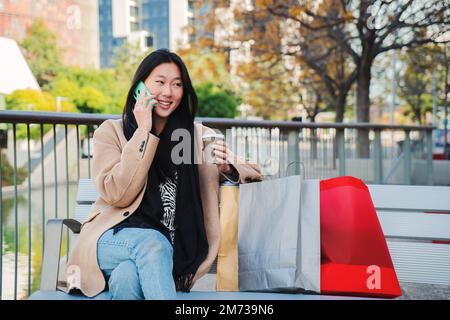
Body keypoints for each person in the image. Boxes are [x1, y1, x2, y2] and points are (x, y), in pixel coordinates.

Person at [61, 49, 263, 299]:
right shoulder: (112, 132)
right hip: (110, 240)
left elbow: (254, 170)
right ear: (139, 88)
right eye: (160, 82)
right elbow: (116, 194)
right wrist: (144, 132)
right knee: (153, 243)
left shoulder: (194, 137)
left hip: (168, 251)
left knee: (126, 278)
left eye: (177, 84)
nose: (168, 92)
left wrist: (227, 168)